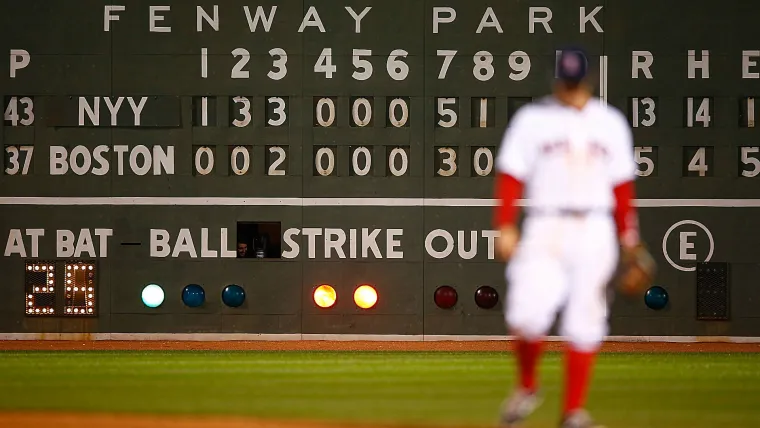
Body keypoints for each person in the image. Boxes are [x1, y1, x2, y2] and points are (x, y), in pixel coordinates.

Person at [494, 47, 640, 428]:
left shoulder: (610, 122)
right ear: (557, 79)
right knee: (526, 315)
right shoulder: (533, 120)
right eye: (566, 81)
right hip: (545, 224)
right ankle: (528, 386)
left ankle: (573, 412)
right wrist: (505, 224)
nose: (571, 88)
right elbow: (510, 174)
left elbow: (623, 185)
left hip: (595, 227)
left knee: (585, 322)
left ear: (587, 80)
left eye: (576, 82)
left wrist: (630, 236)